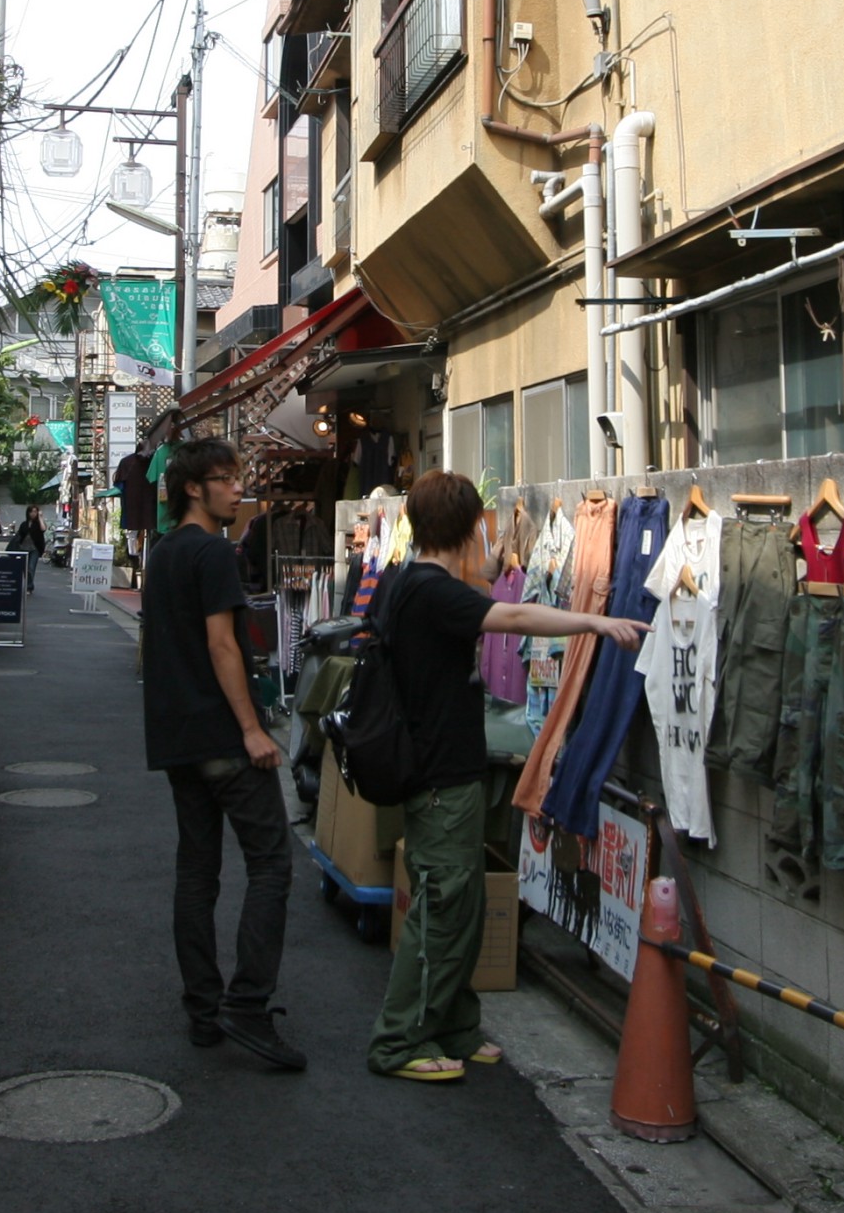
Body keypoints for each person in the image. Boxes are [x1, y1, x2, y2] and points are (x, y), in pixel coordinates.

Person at [367, 470, 647, 1084]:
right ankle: (398, 1040)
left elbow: (484, 594)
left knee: (462, 907)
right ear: (471, 526)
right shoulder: (434, 593)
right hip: (440, 779)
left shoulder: (410, 582)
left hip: (447, 771)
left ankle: (454, 1027)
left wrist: (492, 567)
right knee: (442, 907)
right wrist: (595, 623)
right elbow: (514, 617)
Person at [141, 439, 303, 1071]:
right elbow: (222, 646)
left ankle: (204, 1009)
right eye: (227, 479)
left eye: (240, 478)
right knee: (271, 866)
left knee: (197, 872)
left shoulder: (164, 556)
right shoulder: (212, 552)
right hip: (223, 738)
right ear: (192, 489)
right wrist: (252, 729)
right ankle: (248, 1005)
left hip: (177, 739)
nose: (240, 489)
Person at [10, 505, 46, 592]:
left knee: (31, 567)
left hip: (34, 549)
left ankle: (29, 586)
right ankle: (28, 583)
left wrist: (40, 517)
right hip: (23, 549)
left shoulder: (38, 524)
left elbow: (43, 529)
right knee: (24, 568)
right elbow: (19, 536)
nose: (33, 514)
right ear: (28, 513)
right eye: (31, 511)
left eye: (35, 512)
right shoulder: (24, 524)